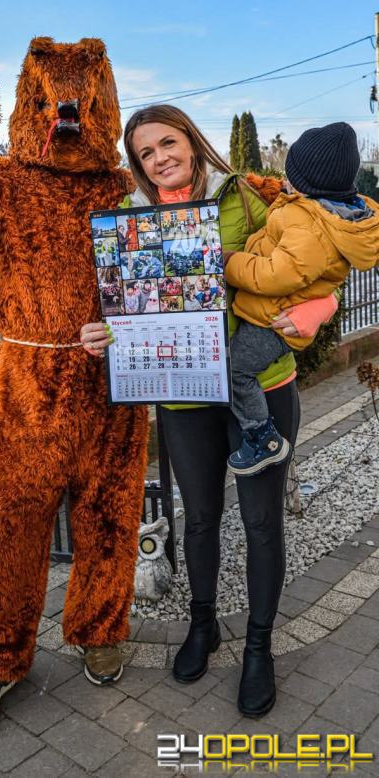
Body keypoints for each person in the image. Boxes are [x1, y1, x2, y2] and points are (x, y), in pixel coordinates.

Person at [80, 104, 339, 718]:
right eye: (145, 153)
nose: (160, 158)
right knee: (198, 517)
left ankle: (258, 647)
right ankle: (204, 625)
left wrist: (318, 310)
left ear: (191, 141)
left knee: (261, 522)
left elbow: (319, 263)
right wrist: (104, 335)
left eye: (168, 143)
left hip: (260, 388)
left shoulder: (248, 198)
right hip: (184, 392)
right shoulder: (130, 221)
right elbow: (128, 307)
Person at [225, 122, 379, 477]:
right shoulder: (327, 210)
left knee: (235, 369)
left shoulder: (307, 223)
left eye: (290, 173)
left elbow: (276, 275)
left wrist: (231, 263)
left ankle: (262, 438)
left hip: (273, 320)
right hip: (275, 314)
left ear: (304, 181)